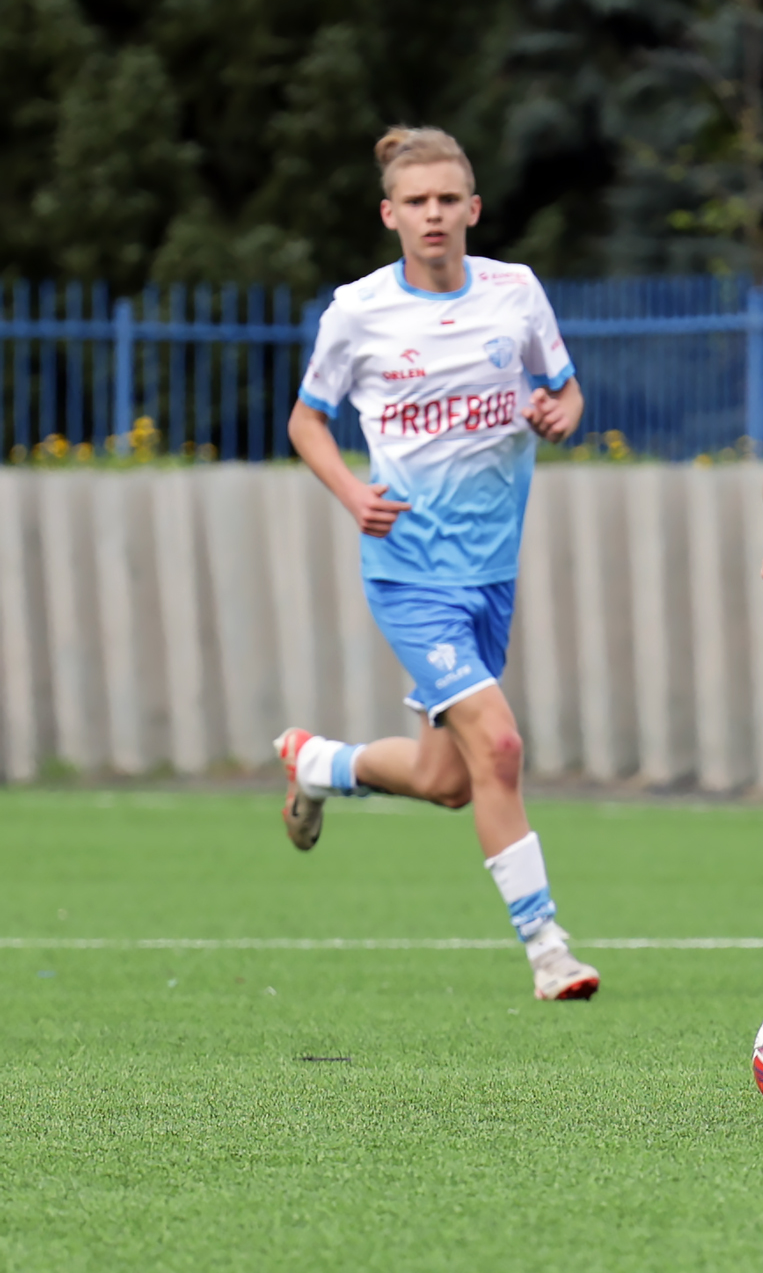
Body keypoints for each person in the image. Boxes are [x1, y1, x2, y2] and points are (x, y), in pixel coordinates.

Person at [275, 126, 600, 1002]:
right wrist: (352, 493)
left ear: (473, 209)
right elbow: (307, 421)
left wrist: (559, 411)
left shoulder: (515, 293)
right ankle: (547, 949)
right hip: (408, 571)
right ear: (390, 214)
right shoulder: (358, 311)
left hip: (491, 572)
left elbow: (566, 388)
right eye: (416, 202)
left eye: (448, 200)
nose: (433, 215)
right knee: (499, 745)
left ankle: (318, 765)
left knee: (448, 780)